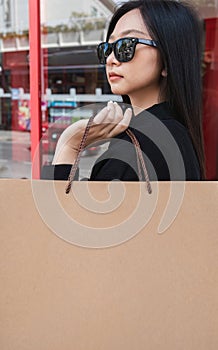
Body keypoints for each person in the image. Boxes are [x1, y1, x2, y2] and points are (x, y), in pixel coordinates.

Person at [42, 0, 205, 183]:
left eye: (126, 46)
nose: (111, 59)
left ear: (168, 59)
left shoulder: (143, 144)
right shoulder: (170, 133)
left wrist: (69, 145)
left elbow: (61, 210)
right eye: (108, 48)